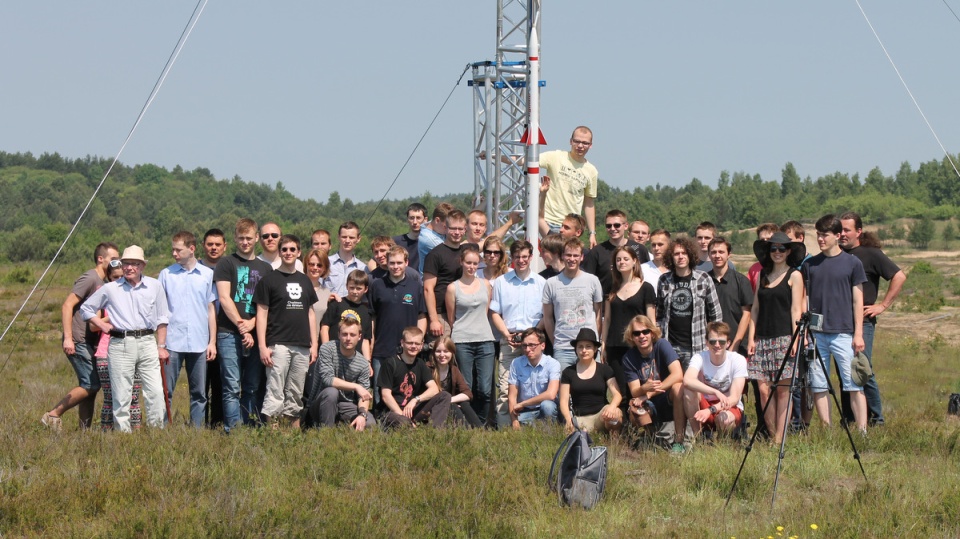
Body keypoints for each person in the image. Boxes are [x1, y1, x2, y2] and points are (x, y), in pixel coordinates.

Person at [80, 245, 169, 432]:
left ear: (142, 266)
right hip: (120, 343)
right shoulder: (110, 289)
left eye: (134, 264)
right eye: (126, 263)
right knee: (121, 395)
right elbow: (86, 308)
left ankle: (156, 433)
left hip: (147, 341)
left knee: (155, 392)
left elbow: (162, 318)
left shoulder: (155, 286)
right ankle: (123, 437)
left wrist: (161, 345)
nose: (129, 268)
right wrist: (102, 325)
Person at [42, 242, 119, 431]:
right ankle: (53, 414)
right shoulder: (90, 278)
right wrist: (68, 337)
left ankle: (84, 432)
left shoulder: (104, 283)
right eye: (113, 258)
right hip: (79, 340)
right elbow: (67, 305)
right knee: (91, 383)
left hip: (91, 341)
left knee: (91, 389)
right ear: (101, 259)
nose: (117, 262)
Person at [839, 211, 906, 427]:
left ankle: (877, 419)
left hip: (864, 321)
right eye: (839, 230)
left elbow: (899, 275)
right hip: (839, 323)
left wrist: (883, 305)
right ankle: (850, 419)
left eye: (847, 230)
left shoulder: (870, 254)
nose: (842, 234)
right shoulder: (836, 254)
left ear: (858, 231)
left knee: (862, 369)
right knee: (844, 372)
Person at [804, 214, 868, 432]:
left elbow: (858, 300)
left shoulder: (852, 263)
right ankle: (827, 430)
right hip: (816, 334)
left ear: (838, 235)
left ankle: (862, 431)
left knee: (853, 384)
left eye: (825, 235)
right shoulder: (810, 264)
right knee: (818, 383)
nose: (820, 239)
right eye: (818, 235)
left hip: (843, 333)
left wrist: (858, 333)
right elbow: (805, 299)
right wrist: (805, 332)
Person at [254, 235, 319, 429]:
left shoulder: (305, 281)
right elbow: (262, 314)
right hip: (278, 345)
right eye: (284, 250)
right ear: (279, 252)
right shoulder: (269, 280)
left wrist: (314, 344)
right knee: (275, 391)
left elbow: (311, 314)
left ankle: (293, 435)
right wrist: (262, 346)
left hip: (302, 346)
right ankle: (273, 434)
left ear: (299, 253)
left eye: (292, 249)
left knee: (296, 393)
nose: (288, 253)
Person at [214, 218, 273, 431]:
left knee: (252, 386)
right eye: (241, 238)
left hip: (257, 334)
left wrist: (253, 324)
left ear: (257, 238)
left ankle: (249, 428)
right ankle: (233, 430)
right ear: (235, 239)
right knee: (231, 386)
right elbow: (224, 298)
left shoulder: (265, 269)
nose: (245, 242)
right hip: (229, 333)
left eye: (249, 238)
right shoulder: (226, 263)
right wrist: (242, 325)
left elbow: (267, 304)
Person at [746, 232, 805, 444]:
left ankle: (780, 439)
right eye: (773, 249)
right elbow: (755, 309)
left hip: (784, 338)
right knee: (763, 390)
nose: (777, 253)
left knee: (783, 391)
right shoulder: (763, 275)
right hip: (761, 339)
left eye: (782, 249)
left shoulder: (795, 276)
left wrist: (795, 340)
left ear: (789, 251)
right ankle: (772, 435)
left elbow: (796, 310)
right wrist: (751, 339)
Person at [158, 231, 217, 427]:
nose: (174, 253)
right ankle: (163, 428)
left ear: (191, 249)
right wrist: (161, 343)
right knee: (166, 390)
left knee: (199, 393)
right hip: (172, 342)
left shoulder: (207, 275)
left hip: (200, 342)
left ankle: (196, 432)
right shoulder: (166, 275)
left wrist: (212, 342)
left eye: (178, 249)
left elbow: (211, 309)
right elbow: (159, 310)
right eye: (173, 249)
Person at [490, 239, 546, 428]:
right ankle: (506, 430)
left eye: (524, 257)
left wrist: (532, 335)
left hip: (533, 340)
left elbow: (546, 314)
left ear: (531, 257)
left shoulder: (541, 282)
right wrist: (506, 334)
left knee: (533, 386)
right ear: (511, 258)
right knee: (506, 388)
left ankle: (533, 428)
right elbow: (495, 312)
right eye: (517, 257)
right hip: (510, 339)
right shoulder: (501, 282)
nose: (521, 260)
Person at [368, 246, 427, 406]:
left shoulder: (415, 287)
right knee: (380, 393)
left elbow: (422, 315)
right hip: (382, 348)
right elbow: (372, 317)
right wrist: (371, 344)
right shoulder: (377, 285)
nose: (395, 266)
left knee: (407, 390)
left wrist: (418, 340)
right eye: (392, 263)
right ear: (386, 263)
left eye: (399, 263)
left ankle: (405, 422)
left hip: (408, 349)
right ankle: (381, 424)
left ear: (406, 263)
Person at [601, 246, 656, 411]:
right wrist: (603, 344)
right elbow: (607, 319)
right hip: (614, 346)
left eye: (625, 259)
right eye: (618, 259)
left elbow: (651, 319)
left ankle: (641, 429)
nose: (621, 262)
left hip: (637, 346)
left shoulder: (646, 288)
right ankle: (623, 430)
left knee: (638, 390)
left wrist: (652, 344)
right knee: (621, 391)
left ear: (634, 261)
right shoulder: (611, 287)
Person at [445, 244, 495, 425]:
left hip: (485, 340)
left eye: (475, 263)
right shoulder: (453, 288)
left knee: (485, 388)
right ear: (461, 262)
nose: (471, 267)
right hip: (462, 340)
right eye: (468, 263)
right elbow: (452, 317)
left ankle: (481, 423)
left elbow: (486, 310)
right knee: (467, 386)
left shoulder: (486, 285)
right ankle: (468, 423)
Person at [656, 236, 722, 371]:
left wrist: (714, 340)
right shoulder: (664, 280)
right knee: (672, 387)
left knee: (693, 387)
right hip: (669, 344)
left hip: (696, 344)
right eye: (676, 254)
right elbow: (660, 315)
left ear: (690, 255)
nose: (680, 257)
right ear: (671, 257)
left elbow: (716, 314)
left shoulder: (703, 279)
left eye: (684, 253)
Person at [679, 322, 748, 447]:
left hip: (727, 407)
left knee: (724, 419)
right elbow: (687, 380)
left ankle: (721, 445)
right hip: (705, 403)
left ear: (728, 343)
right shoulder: (699, 357)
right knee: (688, 391)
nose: (717, 345)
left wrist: (710, 410)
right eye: (712, 341)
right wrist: (715, 392)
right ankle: (699, 439)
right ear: (706, 343)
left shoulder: (737, 360)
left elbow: (734, 398)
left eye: (721, 342)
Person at [93, 262, 142, 431]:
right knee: (111, 397)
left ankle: (135, 436)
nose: (120, 280)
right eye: (115, 277)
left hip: (134, 349)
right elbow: (93, 326)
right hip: (106, 351)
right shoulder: (104, 293)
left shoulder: (136, 292)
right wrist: (115, 315)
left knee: (133, 397)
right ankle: (107, 436)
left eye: (122, 276)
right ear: (109, 278)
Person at [542, 238, 603, 370]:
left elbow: (598, 313)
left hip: (589, 346)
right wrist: (555, 342)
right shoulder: (551, 283)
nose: (572, 259)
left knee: (592, 388)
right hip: (563, 348)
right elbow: (547, 317)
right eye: (568, 255)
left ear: (582, 257)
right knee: (564, 389)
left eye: (576, 255)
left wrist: (595, 340)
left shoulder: (592, 280)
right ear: (562, 256)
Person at [622, 315, 684, 441]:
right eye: (637, 333)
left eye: (645, 331)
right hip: (648, 403)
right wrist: (644, 388)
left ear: (652, 332)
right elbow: (635, 391)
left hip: (667, 396)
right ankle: (651, 439)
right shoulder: (628, 358)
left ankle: (679, 440)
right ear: (631, 337)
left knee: (678, 388)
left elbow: (678, 374)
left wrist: (649, 393)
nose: (642, 336)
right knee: (635, 409)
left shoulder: (662, 345)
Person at [307, 318, 375, 430]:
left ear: (359, 336)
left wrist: (362, 415)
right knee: (331, 392)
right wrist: (356, 386)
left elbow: (364, 396)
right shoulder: (327, 349)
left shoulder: (363, 363)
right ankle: (325, 435)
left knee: (370, 423)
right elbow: (328, 380)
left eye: (352, 334)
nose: (348, 338)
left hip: (345, 405)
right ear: (338, 335)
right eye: (344, 334)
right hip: (320, 402)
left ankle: (343, 429)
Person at [378, 327, 452, 428]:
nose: (413, 346)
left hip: (412, 409)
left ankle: (435, 432)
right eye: (410, 343)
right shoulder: (390, 363)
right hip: (392, 411)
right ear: (402, 343)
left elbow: (434, 389)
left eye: (417, 344)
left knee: (444, 396)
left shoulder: (420, 363)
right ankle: (411, 428)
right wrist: (403, 416)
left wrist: (415, 400)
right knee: (403, 423)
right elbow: (386, 396)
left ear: (421, 345)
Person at [539, 126, 599, 247]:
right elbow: (526, 160)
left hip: (570, 227)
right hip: (547, 221)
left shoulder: (591, 171)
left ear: (590, 145)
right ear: (570, 141)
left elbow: (589, 203)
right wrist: (495, 156)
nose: (580, 145)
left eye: (585, 143)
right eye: (577, 141)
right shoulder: (555, 157)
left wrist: (592, 233)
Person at [558, 329, 623, 434]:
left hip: (601, 414)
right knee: (571, 435)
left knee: (615, 415)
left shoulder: (605, 369)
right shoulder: (568, 372)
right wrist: (568, 419)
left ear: (595, 348)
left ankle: (614, 441)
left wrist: (611, 407)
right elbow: (563, 401)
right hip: (580, 417)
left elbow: (617, 395)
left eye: (588, 346)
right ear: (576, 349)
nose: (584, 350)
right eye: (580, 347)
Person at [582, 209, 649, 297]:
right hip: (606, 304)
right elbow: (588, 282)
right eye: (608, 226)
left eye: (617, 225)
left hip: (634, 303)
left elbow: (646, 277)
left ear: (625, 226)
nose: (612, 229)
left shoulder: (639, 249)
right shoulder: (596, 251)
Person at [423, 209, 466, 339]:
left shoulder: (467, 251)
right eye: (453, 228)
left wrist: (510, 222)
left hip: (462, 313)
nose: (457, 232)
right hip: (441, 314)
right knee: (442, 355)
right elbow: (427, 289)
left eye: (460, 229)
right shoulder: (435, 254)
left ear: (465, 230)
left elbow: (488, 242)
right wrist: (434, 320)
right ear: (445, 228)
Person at [507, 328, 561, 428]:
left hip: (543, 409)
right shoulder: (516, 363)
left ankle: (549, 431)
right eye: (524, 345)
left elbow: (551, 394)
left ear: (542, 345)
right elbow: (512, 396)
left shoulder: (553, 364)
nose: (527, 349)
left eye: (532, 345)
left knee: (547, 406)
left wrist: (523, 403)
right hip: (524, 411)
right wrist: (514, 421)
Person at [707, 237, 752, 354]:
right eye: (713, 252)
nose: (717, 255)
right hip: (711, 345)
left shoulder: (741, 281)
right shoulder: (703, 281)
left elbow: (747, 315)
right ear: (709, 255)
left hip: (736, 346)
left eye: (721, 252)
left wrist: (736, 344)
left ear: (729, 254)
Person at [200, 228, 226, 426]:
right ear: (203, 246)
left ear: (224, 247)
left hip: (224, 332)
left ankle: (217, 424)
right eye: (210, 244)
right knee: (201, 384)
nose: (214, 248)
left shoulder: (229, 268)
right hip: (201, 333)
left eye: (218, 244)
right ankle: (199, 425)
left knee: (220, 382)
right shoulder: (197, 269)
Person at [430, 337, 483, 428]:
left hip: (447, 404)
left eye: (446, 351)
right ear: (434, 353)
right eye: (438, 351)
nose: (442, 355)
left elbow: (468, 393)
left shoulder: (453, 369)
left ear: (452, 353)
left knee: (464, 404)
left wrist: (448, 401)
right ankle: (465, 432)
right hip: (431, 406)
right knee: (453, 406)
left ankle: (480, 430)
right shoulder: (428, 369)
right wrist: (447, 402)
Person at [320, 270, 373, 361]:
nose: (355, 291)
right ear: (346, 286)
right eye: (352, 288)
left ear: (366, 289)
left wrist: (367, 361)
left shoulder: (366, 311)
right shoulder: (337, 303)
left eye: (359, 288)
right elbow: (325, 327)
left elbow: (365, 339)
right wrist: (326, 351)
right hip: (334, 354)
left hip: (355, 358)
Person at [326, 221, 368, 296]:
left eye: (351, 238)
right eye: (344, 237)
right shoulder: (326, 263)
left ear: (358, 239)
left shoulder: (363, 268)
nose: (347, 241)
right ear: (338, 237)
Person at [417, 202, 455, 274]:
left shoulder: (435, 226)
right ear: (437, 220)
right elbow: (453, 253)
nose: (449, 230)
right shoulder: (428, 238)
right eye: (445, 226)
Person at [394, 202, 426, 272]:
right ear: (407, 220)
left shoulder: (430, 242)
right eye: (411, 218)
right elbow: (374, 262)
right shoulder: (396, 241)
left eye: (418, 218)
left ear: (425, 219)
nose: (414, 222)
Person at [747, 223, 780, 291]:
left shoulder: (787, 267)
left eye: (769, 239)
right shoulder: (754, 269)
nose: (765, 242)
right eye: (762, 240)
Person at [641, 229, 670, 296]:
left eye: (660, 244)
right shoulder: (642, 270)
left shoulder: (676, 269)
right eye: (653, 245)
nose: (656, 248)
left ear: (669, 245)